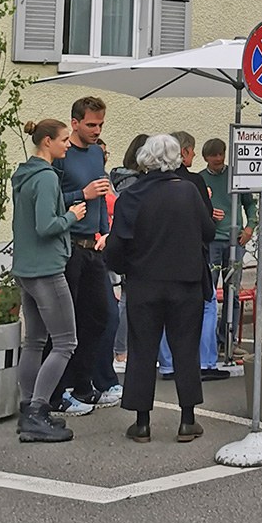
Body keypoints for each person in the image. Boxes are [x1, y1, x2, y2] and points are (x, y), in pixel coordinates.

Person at [105, 134, 216, 443]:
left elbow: (116, 246)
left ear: (146, 159)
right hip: (186, 283)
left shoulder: (132, 195)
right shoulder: (189, 193)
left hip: (144, 283)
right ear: (177, 158)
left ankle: (142, 423)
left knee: (142, 350)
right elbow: (208, 231)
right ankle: (187, 420)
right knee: (185, 349)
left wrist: (124, 266)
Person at [11, 119, 86, 443]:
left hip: (26, 269)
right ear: (47, 142)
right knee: (66, 342)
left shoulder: (24, 175)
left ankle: (29, 407)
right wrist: (71, 216)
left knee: (35, 342)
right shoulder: (44, 179)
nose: (68, 145)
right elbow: (45, 225)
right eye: (64, 140)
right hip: (46, 270)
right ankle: (38, 411)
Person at [50, 95, 118, 415]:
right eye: (91, 124)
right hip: (69, 247)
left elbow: (102, 196)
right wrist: (82, 194)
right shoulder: (62, 156)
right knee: (67, 322)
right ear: (75, 122)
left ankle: (83, 382)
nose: (96, 129)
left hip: (94, 247)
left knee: (101, 316)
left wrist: (104, 230)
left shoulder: (95, 153)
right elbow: (51, 199)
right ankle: (59, 389)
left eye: (100, 124)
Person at [158, 131, 227, 382]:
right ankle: (206, 361)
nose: (194, 155)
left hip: (161, 258)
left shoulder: (152, 183)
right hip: (192, 255)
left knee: (165, 310)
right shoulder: (193, 182)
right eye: (192, 150)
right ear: (183, 152)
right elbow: (206, 224)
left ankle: (167, 365)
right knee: (207, 304)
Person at [199, 137, 257, 356]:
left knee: (233, 291)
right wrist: (208, 215)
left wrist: (250, 227)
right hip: (212, 241)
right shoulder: (201, 180)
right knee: (209, 293)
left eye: (221, 154)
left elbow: (250, 204)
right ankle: (208, 341)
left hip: (236, 241)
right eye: (214, 155)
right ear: (206, 158)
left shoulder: (236, 176)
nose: (218, 158)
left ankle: (228, 340)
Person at [109, 133, 148, 373]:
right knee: (127, 301)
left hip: (122, 244)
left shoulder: (122, 178)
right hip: (131, 245)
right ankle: (121, 352)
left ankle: (122, 350)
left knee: (126, 300)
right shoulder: (134, 183)